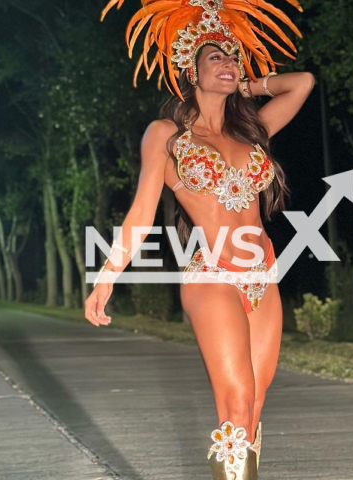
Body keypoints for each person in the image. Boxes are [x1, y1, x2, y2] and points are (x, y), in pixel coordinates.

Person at [85, 1, 313, 478]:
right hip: (210, 275)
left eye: (234, 57)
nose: (229, 63)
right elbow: (142, 212)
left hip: (262, 275)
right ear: (191, 70)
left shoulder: (252, 131)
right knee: (237, 401)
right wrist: (108, 275)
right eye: (216, 58)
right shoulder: (167, 135)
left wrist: (248, 86)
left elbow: (303, 82)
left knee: (252, 409)